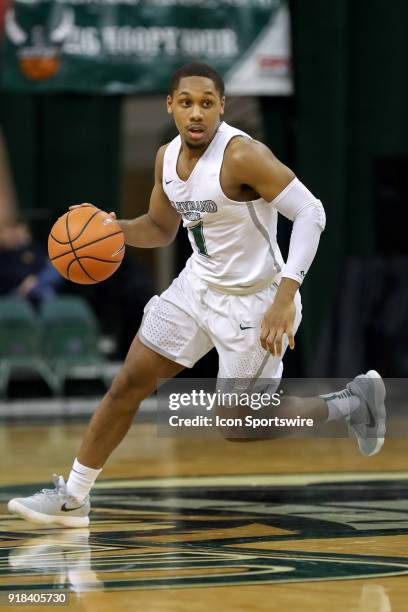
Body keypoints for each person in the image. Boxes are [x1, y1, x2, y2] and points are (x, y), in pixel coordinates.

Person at [8, 63, 386, 528]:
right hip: (197, 288)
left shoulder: (243, 156)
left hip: (258, 301)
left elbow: (312, 213)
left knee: (239, 425)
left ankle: (351, 404)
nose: (196, 112)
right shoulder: (166, 157)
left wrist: (285, 298)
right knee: (128, 383)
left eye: (207, 102)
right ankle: (74, 497)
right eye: (186, 102)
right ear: (170, 105)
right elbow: (161, 228)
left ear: (221, 107)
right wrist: (111, 231)